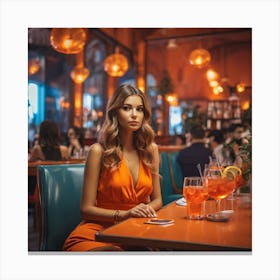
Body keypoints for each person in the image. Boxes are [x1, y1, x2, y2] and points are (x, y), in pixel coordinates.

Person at [63, 84, 162, 251]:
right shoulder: (98, 151)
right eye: (127, 108)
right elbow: (85, 210)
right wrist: (124, 215)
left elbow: (158, 200)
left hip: (135, 229)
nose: (134, 115)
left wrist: (141, 211)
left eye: (139, 109)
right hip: (97, 232)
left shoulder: (150, 150)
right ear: (115, 112)